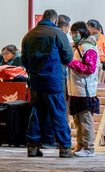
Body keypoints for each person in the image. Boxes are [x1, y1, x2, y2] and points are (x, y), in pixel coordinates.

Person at [21, 9, 75, 158]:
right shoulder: (58, 33)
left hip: (35, 80)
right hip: (53, 80)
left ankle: (32, 146)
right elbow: (68, 56)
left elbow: (24, 60)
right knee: (58, 113)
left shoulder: (29, 35)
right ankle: (64, 148)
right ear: (55, 21)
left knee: (36, 113)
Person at [67, 21, 99, 157]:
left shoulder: (88, 48)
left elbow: (89, 69)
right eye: (72, 33)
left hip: (85, 90)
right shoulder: (77, 47)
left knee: (85, 120)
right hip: (76, 89)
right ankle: (80, 146)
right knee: (78, 121)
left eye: (75, 33)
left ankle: (89, 148)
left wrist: (72, 63)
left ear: (82, 33)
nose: (73, 36)